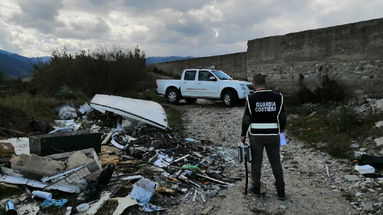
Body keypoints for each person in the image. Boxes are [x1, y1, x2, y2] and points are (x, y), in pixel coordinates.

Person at [240, 74, 287, 200]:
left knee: (256, 163)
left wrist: (243, 135)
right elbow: (282, 117)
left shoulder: (250, 98)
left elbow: (246, 119)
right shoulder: (278, 97)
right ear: (264, 83)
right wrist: (281, 133)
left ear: (254, 85)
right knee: (276, 162)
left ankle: (256, 187)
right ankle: (281, 191)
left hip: (256, 136)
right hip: (274, 134)